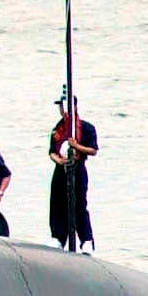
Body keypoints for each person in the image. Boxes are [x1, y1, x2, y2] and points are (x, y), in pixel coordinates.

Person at [48, 91, 99, 249]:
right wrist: (58, 160)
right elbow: (52, 151)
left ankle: (86, 240)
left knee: (79, 204)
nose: (62, 110)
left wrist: (76, 146)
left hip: (77, 168)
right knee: (57, 203)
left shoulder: (86, 128)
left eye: (64, 106)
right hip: (60, 169)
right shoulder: (57, 128)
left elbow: (93, 150)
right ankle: (58, 237)